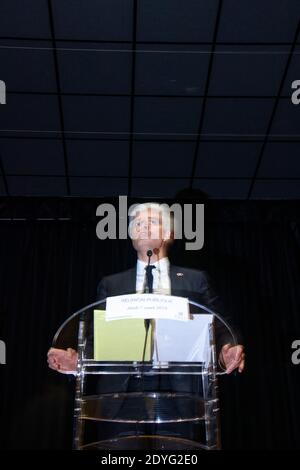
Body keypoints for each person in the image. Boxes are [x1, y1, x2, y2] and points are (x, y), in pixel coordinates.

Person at [48, 202, 245, 374]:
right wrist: (78, 361)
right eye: (137, 224)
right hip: (122, 392)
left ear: (168, 234)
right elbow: (96, 339)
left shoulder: (195, 280)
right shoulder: (111, 284)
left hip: (184, 388)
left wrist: (226, 353)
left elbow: (222, 326)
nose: (141, 227)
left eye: (150, 222)